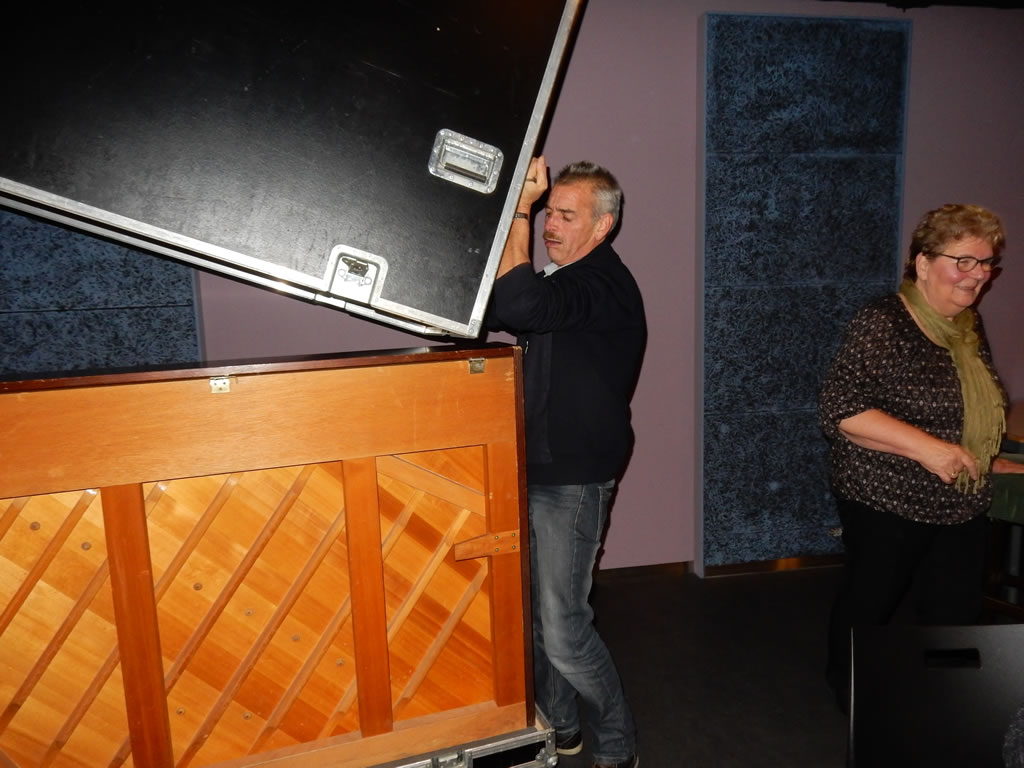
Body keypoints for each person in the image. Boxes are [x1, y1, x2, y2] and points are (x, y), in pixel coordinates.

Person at [819, 203, 1024, 714]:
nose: (978, 275)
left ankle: (948, 703)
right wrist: (930, 448)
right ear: (924, 263)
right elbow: (842, 410)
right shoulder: (883, 321)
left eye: (987, 263)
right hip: (884, 495)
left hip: (960, 496)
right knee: (871, 602)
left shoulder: (967, 326)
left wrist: (985, 456)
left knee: (955, 609)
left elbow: (968, 407)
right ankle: (850, 693)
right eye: (964, 261)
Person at [488, 156, 645, 768]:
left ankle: (619, 744)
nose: (551, 224)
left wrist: (519, 212)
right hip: (536, 467)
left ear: (602, 226)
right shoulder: (563, 280)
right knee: (538, 620)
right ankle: (561, 728)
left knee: (563, 629)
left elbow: (521, 306)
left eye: (565, 215)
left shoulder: (603, 284)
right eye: (548, 212)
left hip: (574, 479)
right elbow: (499, 307)